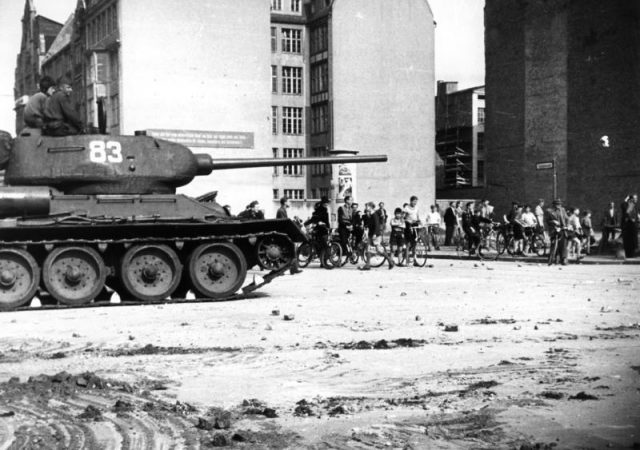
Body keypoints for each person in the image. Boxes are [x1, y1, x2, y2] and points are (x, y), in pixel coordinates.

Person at [360, 202, 394, 270]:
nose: (366, 208)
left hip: (375, 234)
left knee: (379, 249)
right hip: (371, 234)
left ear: (371, 207)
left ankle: (390, 261)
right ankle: (368, 265)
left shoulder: (374, 215)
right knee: (368, 249)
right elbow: (370, 224)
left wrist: (375, 234)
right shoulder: (369, 215)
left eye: (367, 206)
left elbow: (377, 225)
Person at [546, 198, 569, 265]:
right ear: (553, 205)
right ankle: (552, 257)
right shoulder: (549, 211)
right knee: (553, 243)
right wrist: (553, 221)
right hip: (554, 228)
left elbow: (567, 219)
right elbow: (547, 221)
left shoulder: (563, 210)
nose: (558, 206)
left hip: (562, 228)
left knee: (563, 244)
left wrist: (567, 225)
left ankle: (563, 259)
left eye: (559, 204)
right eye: (556, 204)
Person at [404, 195, 425, 266]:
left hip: (415, 225)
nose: (415, 203)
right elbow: (403, 217)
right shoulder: (406, 208)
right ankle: (407, 261)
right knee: (408, 244)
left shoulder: (416, 208)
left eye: (416, 201)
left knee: (414, 244)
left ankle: (414, 260)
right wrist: (408, 221)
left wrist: (420, 221)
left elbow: (418, 216)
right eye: (414, 201)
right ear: (411, 201)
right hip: (408, 226)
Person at [620, 194, 639, 258]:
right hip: (630, 227)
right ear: (631, 199)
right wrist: (632, 219)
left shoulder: (632, 205)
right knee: (631, 241)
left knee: (630, 242)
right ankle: (630, 255)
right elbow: (628, 213)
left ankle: (630, 255)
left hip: (631, 227)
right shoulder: (631, 205)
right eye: (635, 198)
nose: (636, 200)